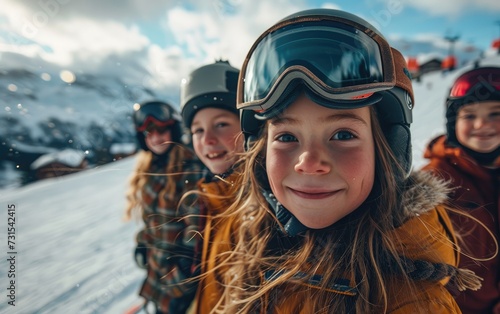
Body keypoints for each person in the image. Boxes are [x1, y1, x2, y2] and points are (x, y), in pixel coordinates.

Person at [199, 9, 483, 313]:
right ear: (260, 151)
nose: (308, 162)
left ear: (388, 151)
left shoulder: (412, 302)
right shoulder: (250, 240)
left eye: (343, 134)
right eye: (285, 137)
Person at [421, 66, 500, 314]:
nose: (482, 124)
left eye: (495, 113)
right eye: (469, 116)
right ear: (453, 122)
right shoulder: (434, 182)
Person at [124, 100, 205, 314]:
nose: (156, 138)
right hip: (159, 269)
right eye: (149, 133)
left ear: (175, 130)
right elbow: (152, 219)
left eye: (162, 130)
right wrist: (143, 243)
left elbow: (196, 227)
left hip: (181, 279)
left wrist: (184, 273)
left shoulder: (189, 168)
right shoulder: (150, 168)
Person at [179, 60, 244, 313]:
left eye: (221, 124)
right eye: (197, 130)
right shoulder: (212, 196)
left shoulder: (269, 205)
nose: (207, 139)